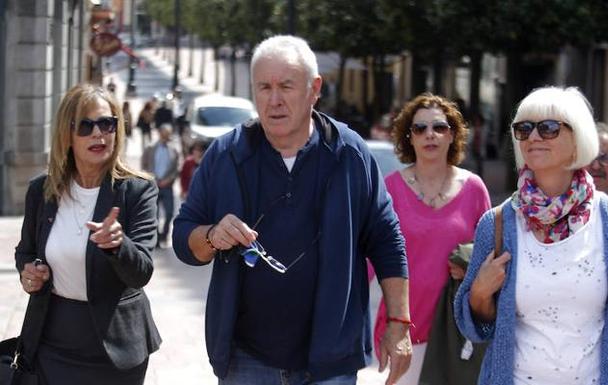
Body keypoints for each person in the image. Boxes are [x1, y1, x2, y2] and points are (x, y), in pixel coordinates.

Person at [172, 35, 411, 385]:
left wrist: (398, 324)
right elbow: (183, 237)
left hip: (332, 360)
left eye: (286, 86)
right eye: (264, 87)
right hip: (246, 360)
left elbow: (387, 239)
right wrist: (211, 237)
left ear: (315, 89)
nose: (275, 100)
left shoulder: (349, 153)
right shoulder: (226, 155)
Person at [455, 86, 608, 384]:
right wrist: (480, 293)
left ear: (578, 140)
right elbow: (474, 328)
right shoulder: (496, 223)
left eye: (548, 128)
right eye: (524, 129)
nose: (533, 137)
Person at [15, 83, 161, 385]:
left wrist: (119, 245)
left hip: (115, 352)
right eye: (86, 125)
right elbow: (26, 252)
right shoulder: (41, 191)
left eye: (107, 124)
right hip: (51, 341)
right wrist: (28, 273)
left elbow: (142, 272)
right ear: (66, 135)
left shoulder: (137, 191)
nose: (99, 133)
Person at [370, 93, 490, 384]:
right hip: (402, 333)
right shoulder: (390, 189)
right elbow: (366, 262)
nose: (430, 135)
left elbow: (491, 256)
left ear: (453, 135)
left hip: (456, 332)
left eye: (440, 127)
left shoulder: (474, 189)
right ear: (408, 138)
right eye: (419, 128)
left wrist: (471, 265)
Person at [141, 124, 179, 247]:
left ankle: (165, 234)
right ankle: (156, 238)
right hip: (154, 186)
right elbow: (144, 166)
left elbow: (176, 169)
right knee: (154, 215)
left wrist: (168, 180)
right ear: (160, 133)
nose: (166, 136)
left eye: (168, 134)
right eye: (164, 133)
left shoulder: (174, 150)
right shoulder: (150, 148)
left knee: (169, 213)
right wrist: (152, 179)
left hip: (167, 186)